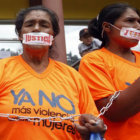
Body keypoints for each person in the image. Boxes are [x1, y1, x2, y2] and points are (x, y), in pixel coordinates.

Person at [0, 6, 106, 140]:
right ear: (21, 35)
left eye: (44, 25)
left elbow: (91, 121)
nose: (37, 28)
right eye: (30, 24)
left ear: (53, 36)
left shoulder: (73, 76)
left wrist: (92, 128)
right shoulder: (2, 69)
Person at [79, 3, 140, 140]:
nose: (138, 26)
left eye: (139, 21)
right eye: (130, 21)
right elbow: (113, 112)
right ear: (107, 27)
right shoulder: (93, 61)